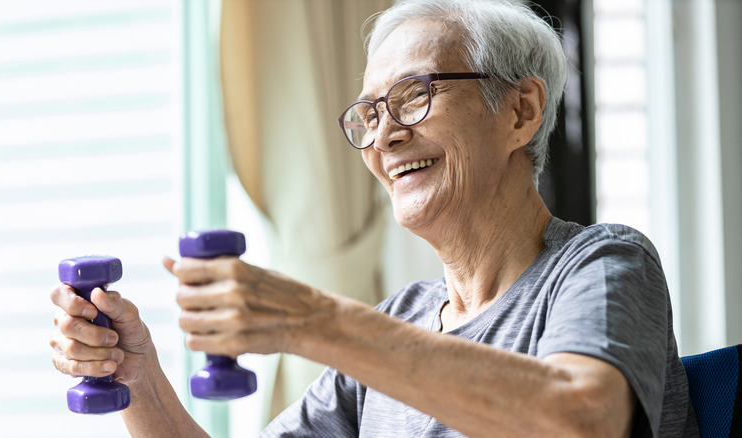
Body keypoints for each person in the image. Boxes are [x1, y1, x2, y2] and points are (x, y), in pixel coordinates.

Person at [50, 0, 699, 436]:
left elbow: (581, 418)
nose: (383, 136)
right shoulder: (398, 325)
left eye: (415, 96)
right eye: (368, 114)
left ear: (520, 112)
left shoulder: (604, 263)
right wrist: (139, 381)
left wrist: (310, 319)